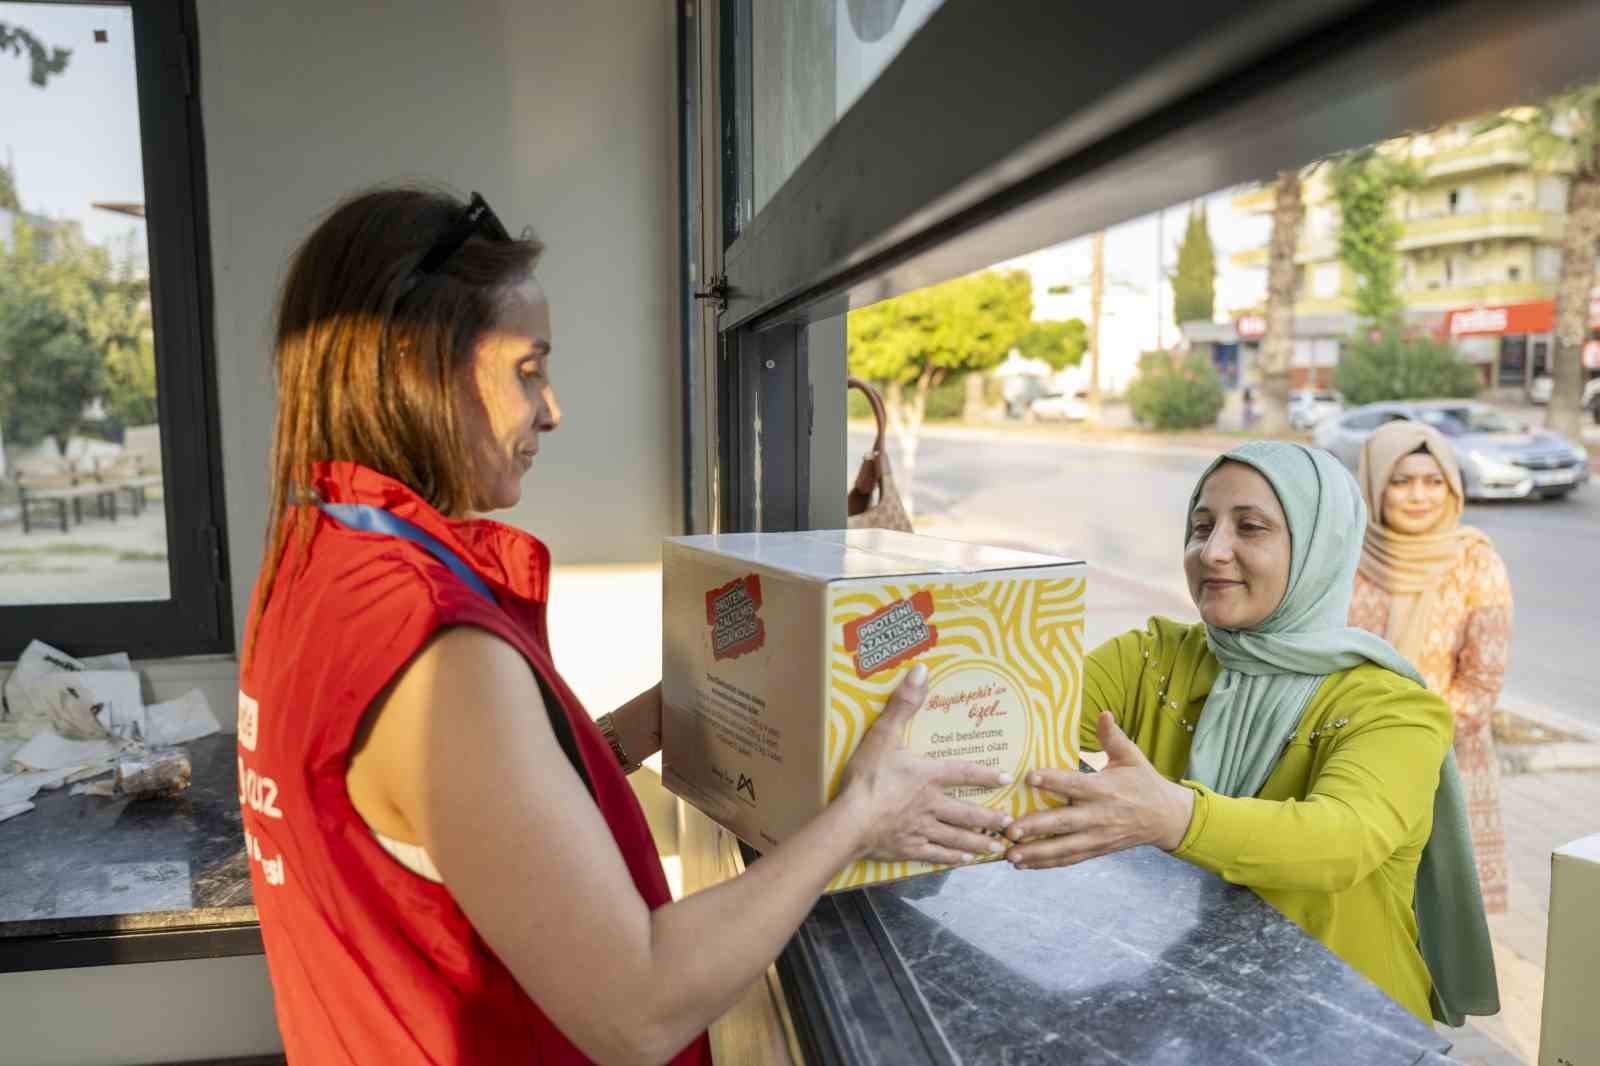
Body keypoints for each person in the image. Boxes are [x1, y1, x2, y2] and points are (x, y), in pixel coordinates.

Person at [237, 186, 1012, 1065]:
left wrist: (774, 649)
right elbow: (638, 1009)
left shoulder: (315, 562)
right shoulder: (431, 644)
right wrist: (861, 817)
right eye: (529, 369)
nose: (552, 408)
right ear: (419, 364)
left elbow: (498, 812)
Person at [999, 441, 1498, 1026]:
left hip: (1347, 1022)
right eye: (1200, 526)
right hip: (1190, 995)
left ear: (1320, 546)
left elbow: (1344, 839)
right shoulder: (1157, 656)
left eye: (1251, 528)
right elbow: (1013, 717)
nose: (1212, 552)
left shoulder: (1394, 708)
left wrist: (1174, 817)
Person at [1348, 420, 1512, 914]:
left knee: (1440, 916)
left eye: (1433, 481)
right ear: (1376, 486)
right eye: (1401, 481)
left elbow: (1481, 682)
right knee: (1362, 906)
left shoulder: (1474, 562)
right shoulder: (1346, 556)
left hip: (1447, 759)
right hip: (1351, 755)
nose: (1419, 495)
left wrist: (1414, 744)